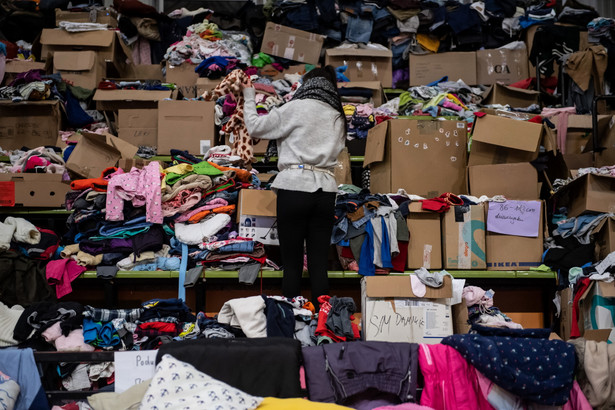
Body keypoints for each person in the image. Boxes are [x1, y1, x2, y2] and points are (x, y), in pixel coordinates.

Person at [240, 66, 346, 306]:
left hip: (294, 187)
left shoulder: (294, 108)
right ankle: (325, 321)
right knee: (319, 263)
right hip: (326, 191)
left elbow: (256, 127)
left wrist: (249, 95)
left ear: (306, 85)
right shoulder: (338, 115)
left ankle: (291, 319)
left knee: (293, 262)